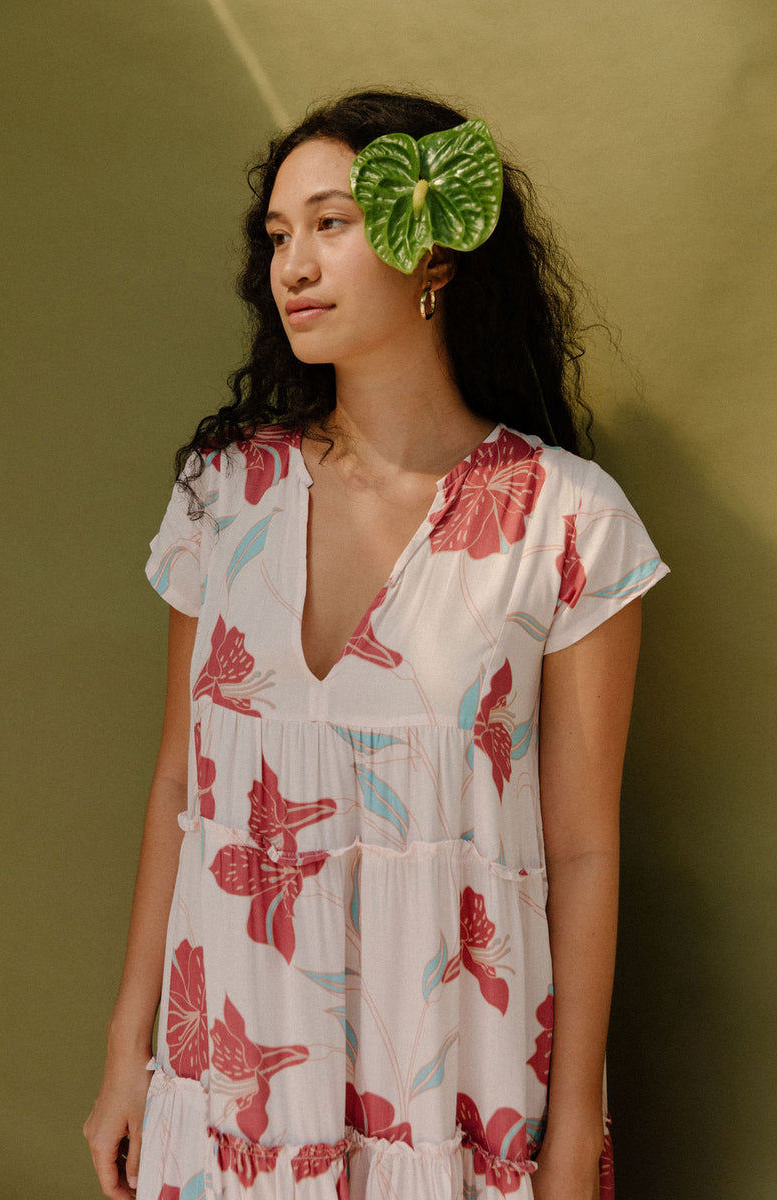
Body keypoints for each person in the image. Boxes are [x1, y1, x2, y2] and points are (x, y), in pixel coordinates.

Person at [84, 89, 668, 1200]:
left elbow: (582, 851)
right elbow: (178, 789)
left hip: (455, 1098)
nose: (292, 263)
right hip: (227, 1096)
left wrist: (572, 1126)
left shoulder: (565, 523)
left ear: (431, 251)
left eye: (332, 223)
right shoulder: (224, 497)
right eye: (276, 236)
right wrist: (129, 1050)